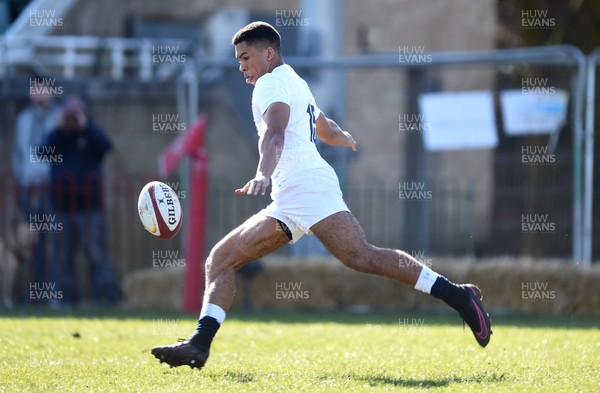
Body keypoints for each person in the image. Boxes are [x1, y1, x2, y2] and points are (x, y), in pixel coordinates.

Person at [152, 22, 491, 369]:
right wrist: (341, 135)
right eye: (238, 59)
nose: (241, 65)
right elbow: (321, 124)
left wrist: (262, 174)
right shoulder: (293, 80)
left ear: (268, 54)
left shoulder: (269, 84)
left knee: (362, 257)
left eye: (246, 57)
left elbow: (275, 133)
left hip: (306, 187)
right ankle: (199, 344)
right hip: (290, 197)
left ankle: (458, 295)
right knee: (220, 260)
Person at [42, 97, 119, 309]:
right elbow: (42, 152)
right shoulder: (58, 137)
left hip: (90, 207)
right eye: (69, 115)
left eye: (76, 115)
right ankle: (62, 298)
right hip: (61, 207)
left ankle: (104, 298)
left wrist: (86, 127)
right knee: (62, 255)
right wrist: (58, 128)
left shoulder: (91, 134)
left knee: (96, 253)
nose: (72, 120)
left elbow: (107, 147)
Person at [11, 81, 60, 297]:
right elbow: (18, 153)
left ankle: (54, 292)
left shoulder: (59, 117)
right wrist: (22, 178)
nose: (38, 92)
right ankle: (33, 292)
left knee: (55, 239)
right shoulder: (23, 119)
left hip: (51, 187)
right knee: (30, 240)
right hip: (27, 187)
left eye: (43, 88)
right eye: (34, 88)